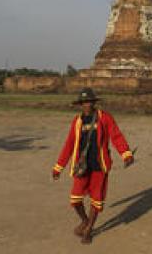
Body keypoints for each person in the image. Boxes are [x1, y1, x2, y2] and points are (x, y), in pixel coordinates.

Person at [52, 88, 134, 245]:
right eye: (84, 102)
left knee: (96, 200)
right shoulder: (77, 122)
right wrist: (58, 167)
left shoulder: (105, 118)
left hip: (99, 166)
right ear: (80, 105)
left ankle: (89, 229)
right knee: (75, 200)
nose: (87, 105)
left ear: (94, 102)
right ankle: (85, 220)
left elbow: (116, 135)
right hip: (81, 166)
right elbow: (69, 145)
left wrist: (126, 154)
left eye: (89, 101)